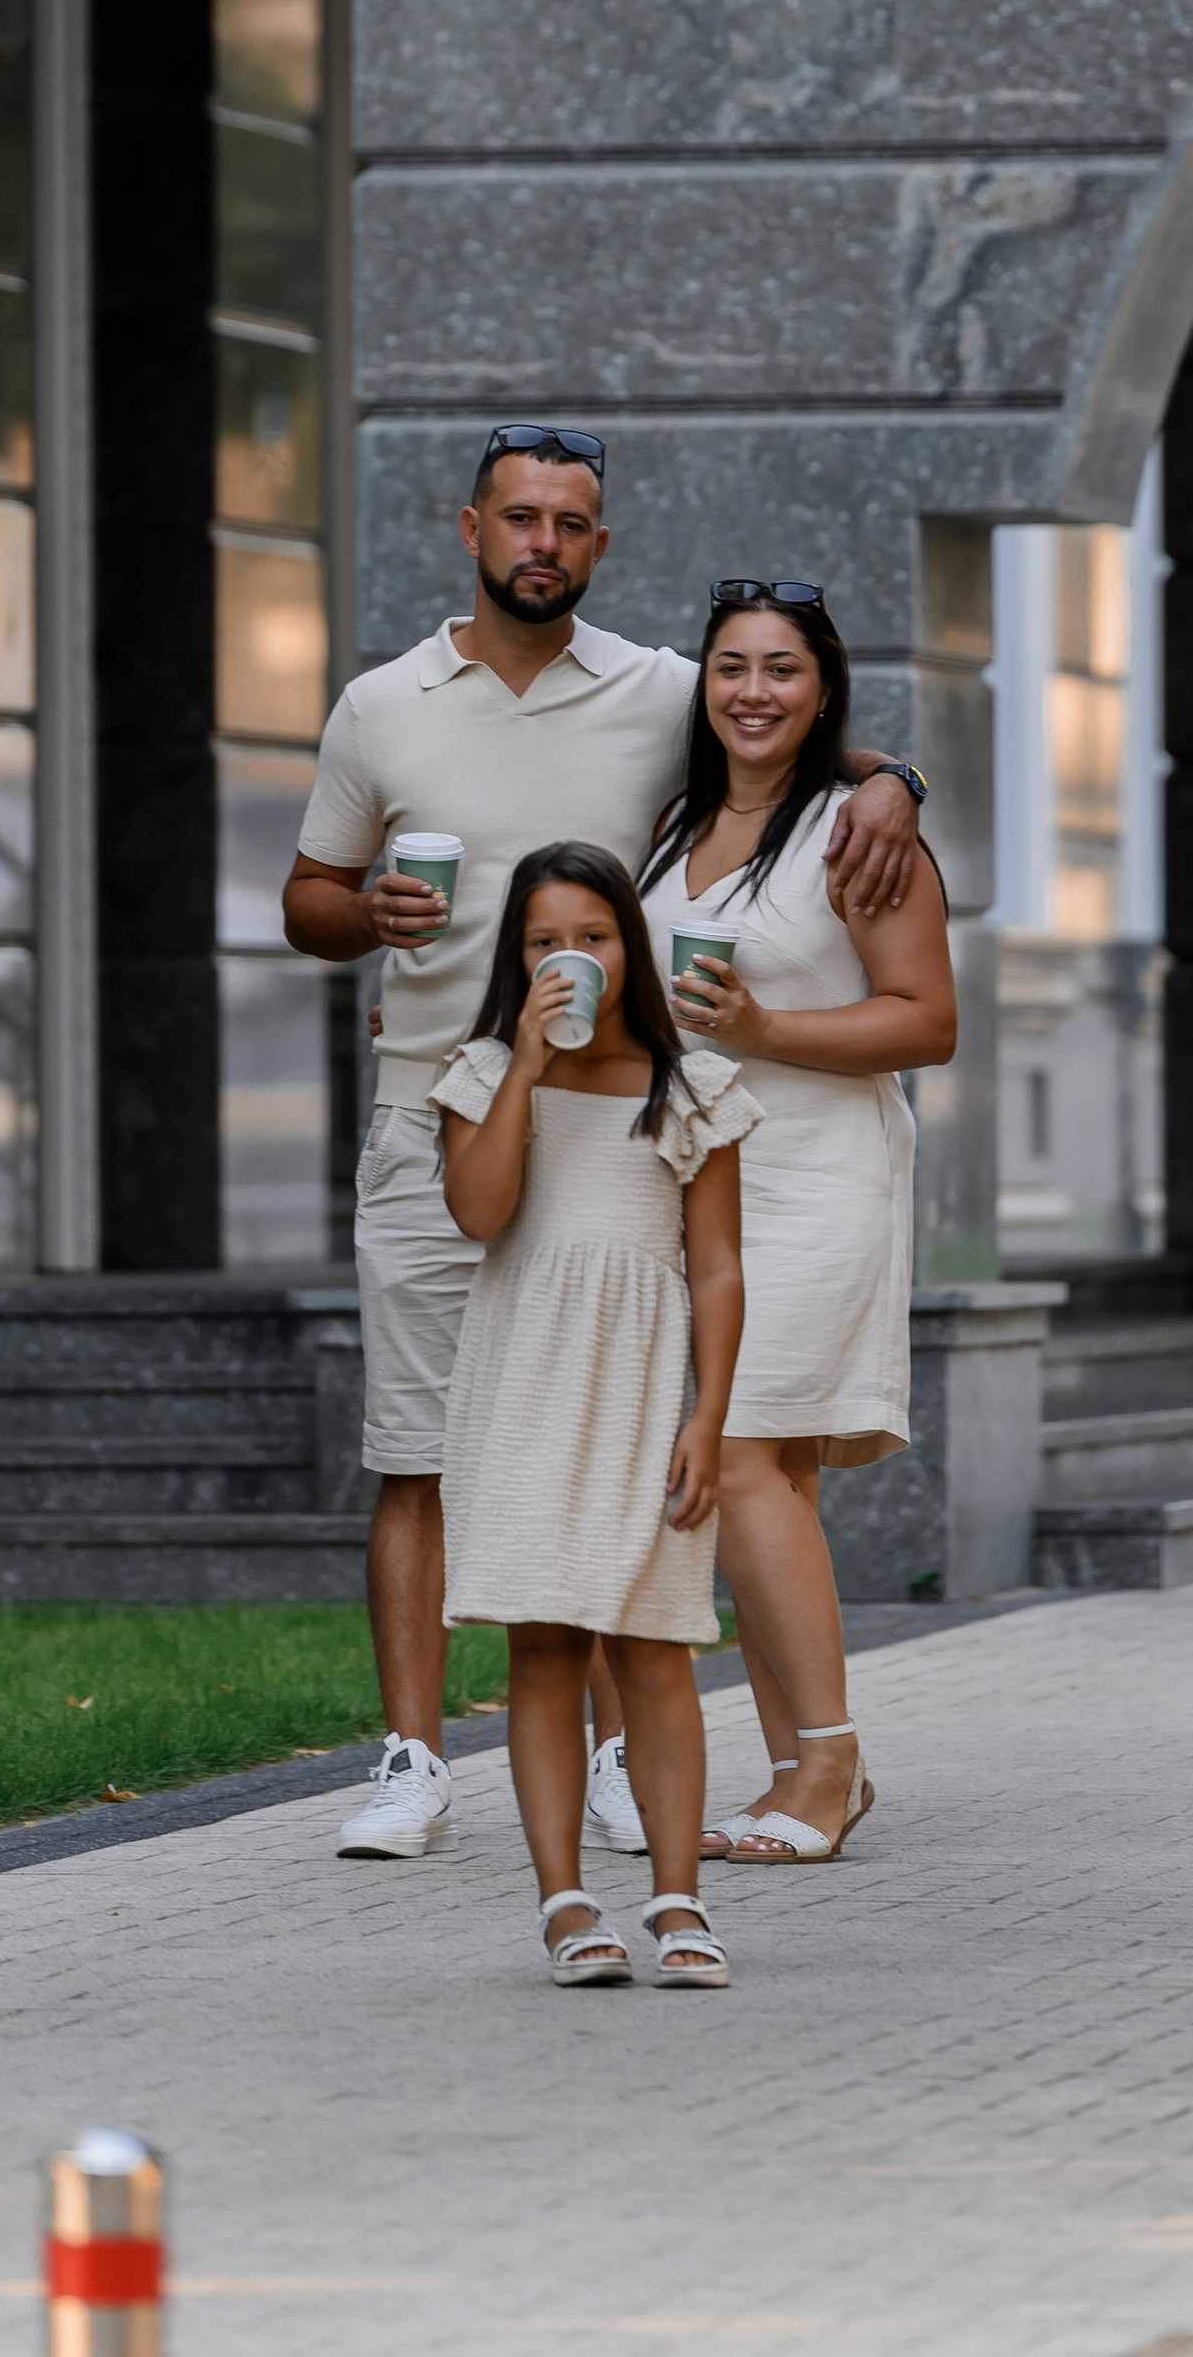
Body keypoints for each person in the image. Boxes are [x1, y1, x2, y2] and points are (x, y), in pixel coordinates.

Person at [280, 424, 926, 1862]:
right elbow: (305, 896)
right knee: (417, 1448)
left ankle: (631, 1757)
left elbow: (794, 727)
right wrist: (366, 913)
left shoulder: (660, 688)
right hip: (431, 1102)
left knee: (632, 1440)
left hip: (621, 1132)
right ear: (470, 529)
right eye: (521, 518)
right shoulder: (381, 704)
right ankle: (410, 1761)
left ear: (600, 545)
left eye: (570, 523)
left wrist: (902, 784)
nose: (544, 544)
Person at [641, 579, 957, 1866]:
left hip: (818, 1170)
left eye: (782, 668)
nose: (753, 690)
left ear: (824, 689)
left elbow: (927, 1019)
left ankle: (827, 1759)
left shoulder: (856, 832)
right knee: (768, 1477)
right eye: (731, 665)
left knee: (740, 1452)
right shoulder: (672, 819)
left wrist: (763, 1026)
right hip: (699, 1178)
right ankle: (799, 1769)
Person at [434, 841, 757, 1984]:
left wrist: (707, 1420)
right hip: (525, 1390)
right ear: (514, 958)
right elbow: (478, 1212)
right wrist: (525, 1066)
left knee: (656, 1643)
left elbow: (716, 1265)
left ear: (631, 943)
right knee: (544, 1644)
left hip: (640, 1393)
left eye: (592, 934)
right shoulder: (483, 1071)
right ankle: (565, 1901)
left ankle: (677, 1897)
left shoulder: (689, 1086)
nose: (569, 956)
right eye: (543, 940)